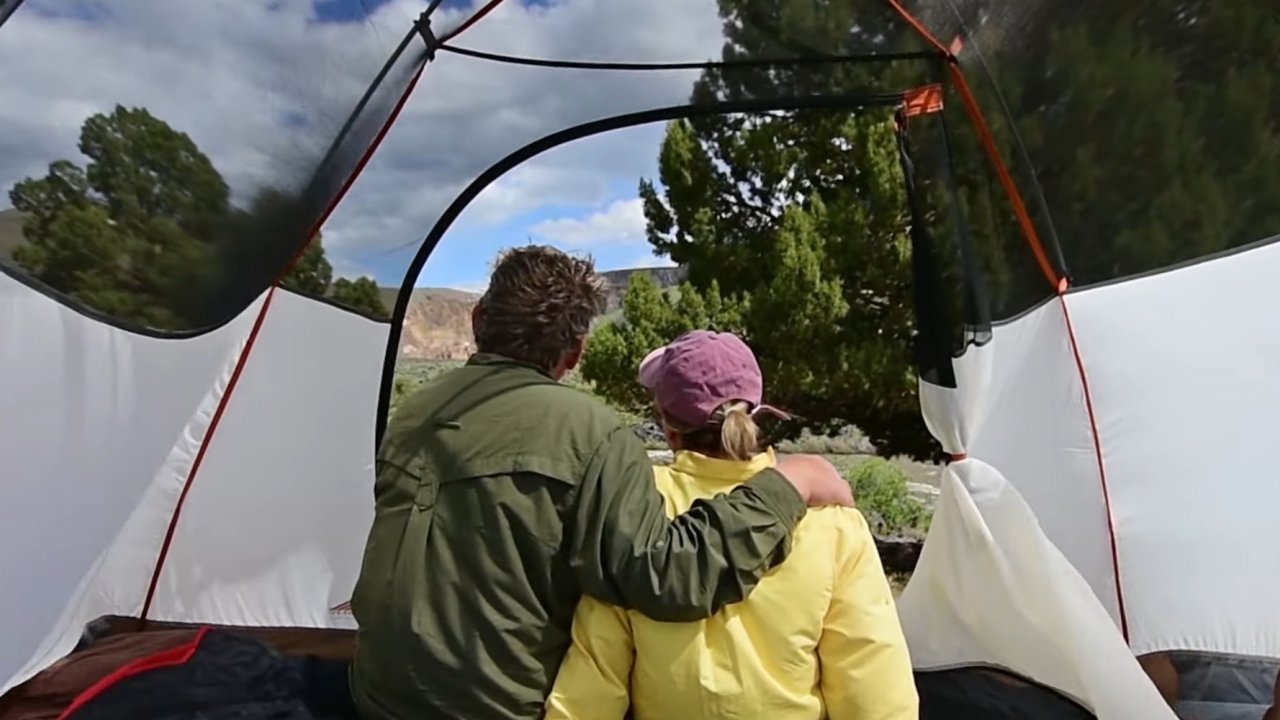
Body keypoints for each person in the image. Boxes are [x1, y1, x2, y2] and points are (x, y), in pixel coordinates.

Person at [347, 246, 854, 720]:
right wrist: (788, 485)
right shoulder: (590, 431)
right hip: (490, 708)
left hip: (375, 690)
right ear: (576, 353)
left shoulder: (413, 413)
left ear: (479, 319)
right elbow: (667, 578)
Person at [545, 330, 918, 720]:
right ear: (757, 414)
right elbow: (875, 689)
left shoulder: (636, 508)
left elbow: (592, 684)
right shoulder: (832, 520)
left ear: (668, 427)